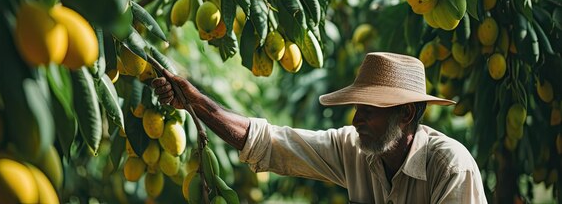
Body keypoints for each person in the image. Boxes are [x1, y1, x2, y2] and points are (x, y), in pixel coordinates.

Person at [151, 52, 487, 203]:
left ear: (406, 115)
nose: (356, 120)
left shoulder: (450, 167)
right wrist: (196, 103)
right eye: (357, 108)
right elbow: (271, 144)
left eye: (369, 111)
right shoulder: (354, 149)